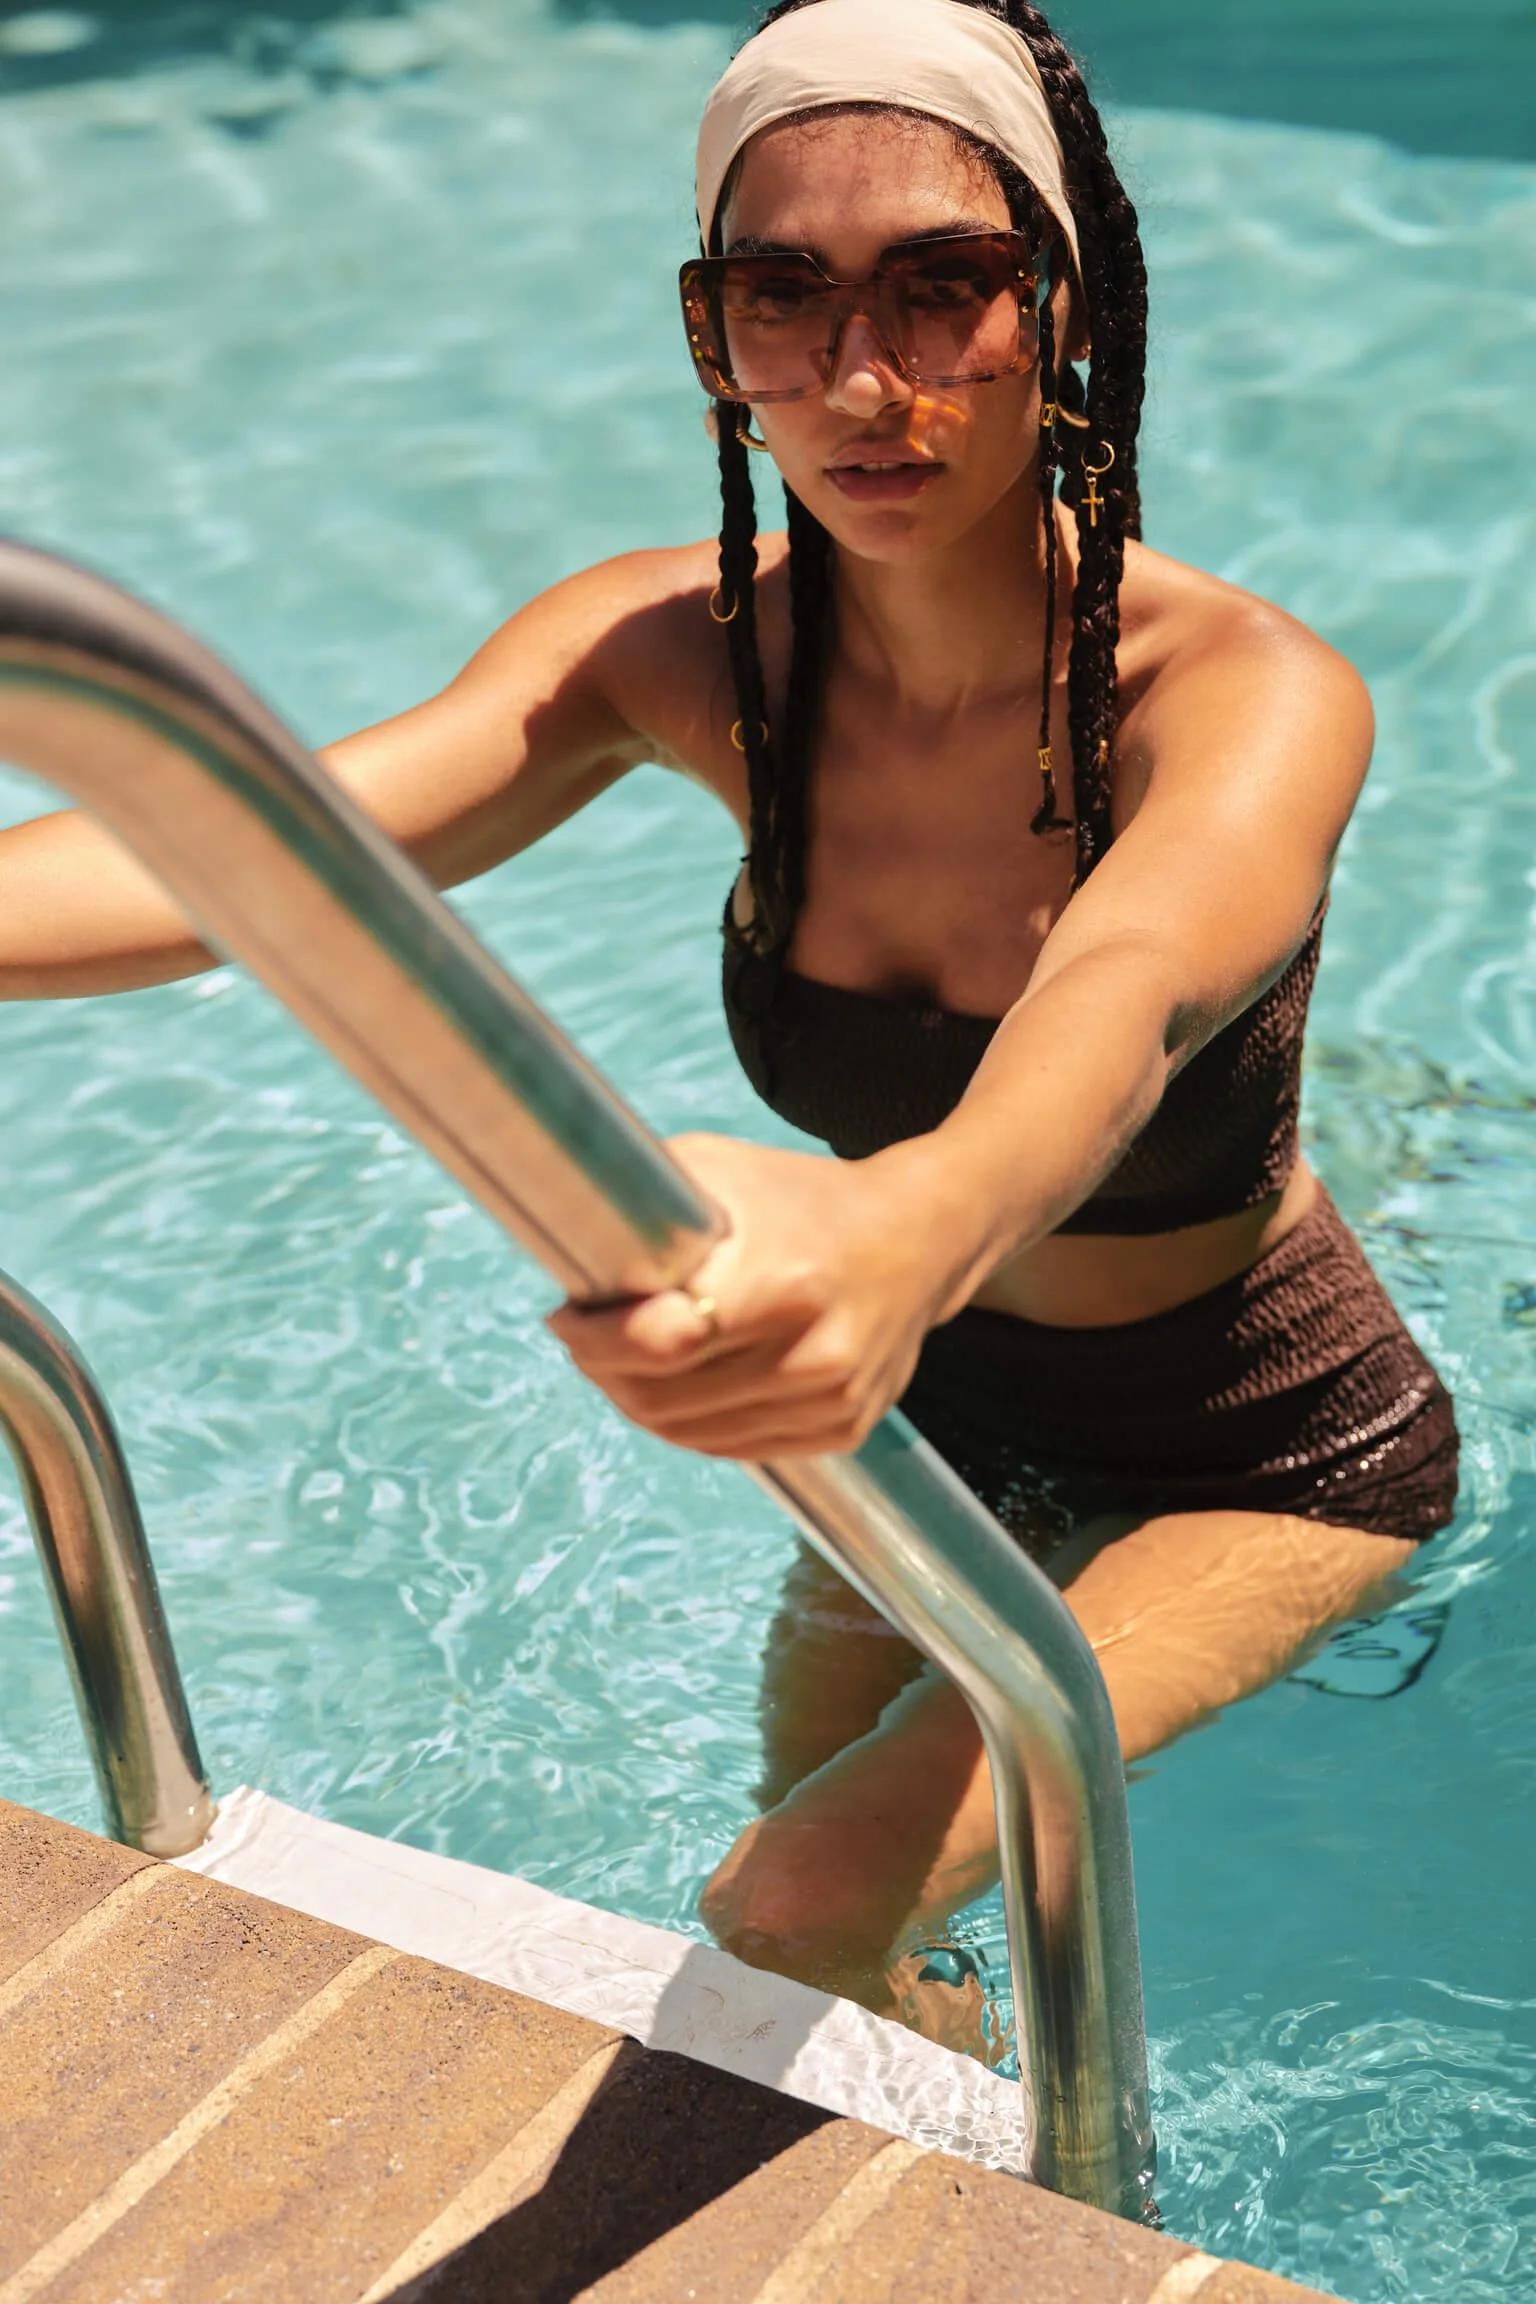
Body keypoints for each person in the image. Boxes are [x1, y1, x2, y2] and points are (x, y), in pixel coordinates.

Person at [0, 0, 1457, 2044]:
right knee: (838, 1955)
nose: (862, 380)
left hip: (1257, 1437)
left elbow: (1120, 1014)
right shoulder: (683, 662)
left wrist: (904, 1222)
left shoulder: (1238, 694)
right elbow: (263, 854)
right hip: (937, 1396)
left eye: (945, 288)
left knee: (789, 1897)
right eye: (781, 296)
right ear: (716, 338)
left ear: (1072, 307)